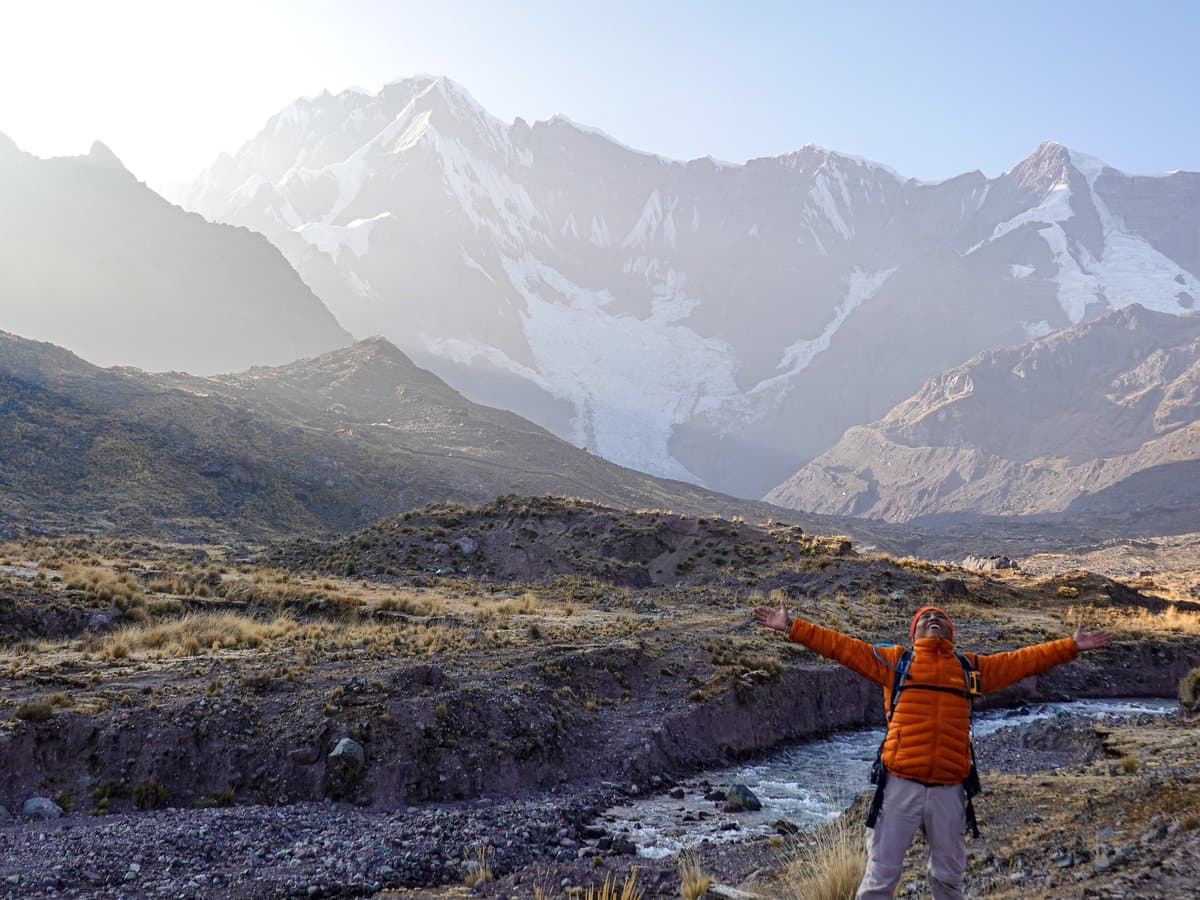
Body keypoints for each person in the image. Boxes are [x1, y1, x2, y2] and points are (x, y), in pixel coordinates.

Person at [752, 599, 1111, 900]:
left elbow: (1022, 661)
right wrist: (791, 626)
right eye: (925, 617)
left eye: (940, 617)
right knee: (880, 880)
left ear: (951, 632)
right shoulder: (896, 661)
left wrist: (1070, 647)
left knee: (948, 879)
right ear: (914, 632)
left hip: (950, 791)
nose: (933, 619)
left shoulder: (971, 669)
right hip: (899, 786)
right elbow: (843, 647)